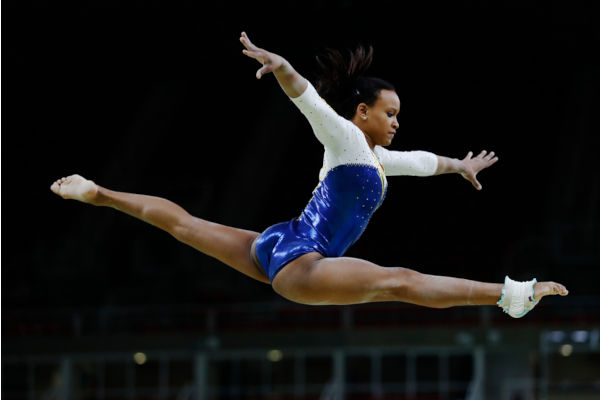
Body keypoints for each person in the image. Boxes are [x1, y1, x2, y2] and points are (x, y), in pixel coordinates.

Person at [50, 32, 567, 318]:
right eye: (389, 114)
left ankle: (100, 194)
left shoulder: (374, 161)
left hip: (282, 243)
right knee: (398, 282)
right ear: (362, 112)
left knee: (186, 226)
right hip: (303, 264)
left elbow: (423, 161)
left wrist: (460, 166)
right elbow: (310, 102)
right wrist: (282, 67)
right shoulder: (344, 137)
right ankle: (508, 295)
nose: (395, 122)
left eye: (398, 115)